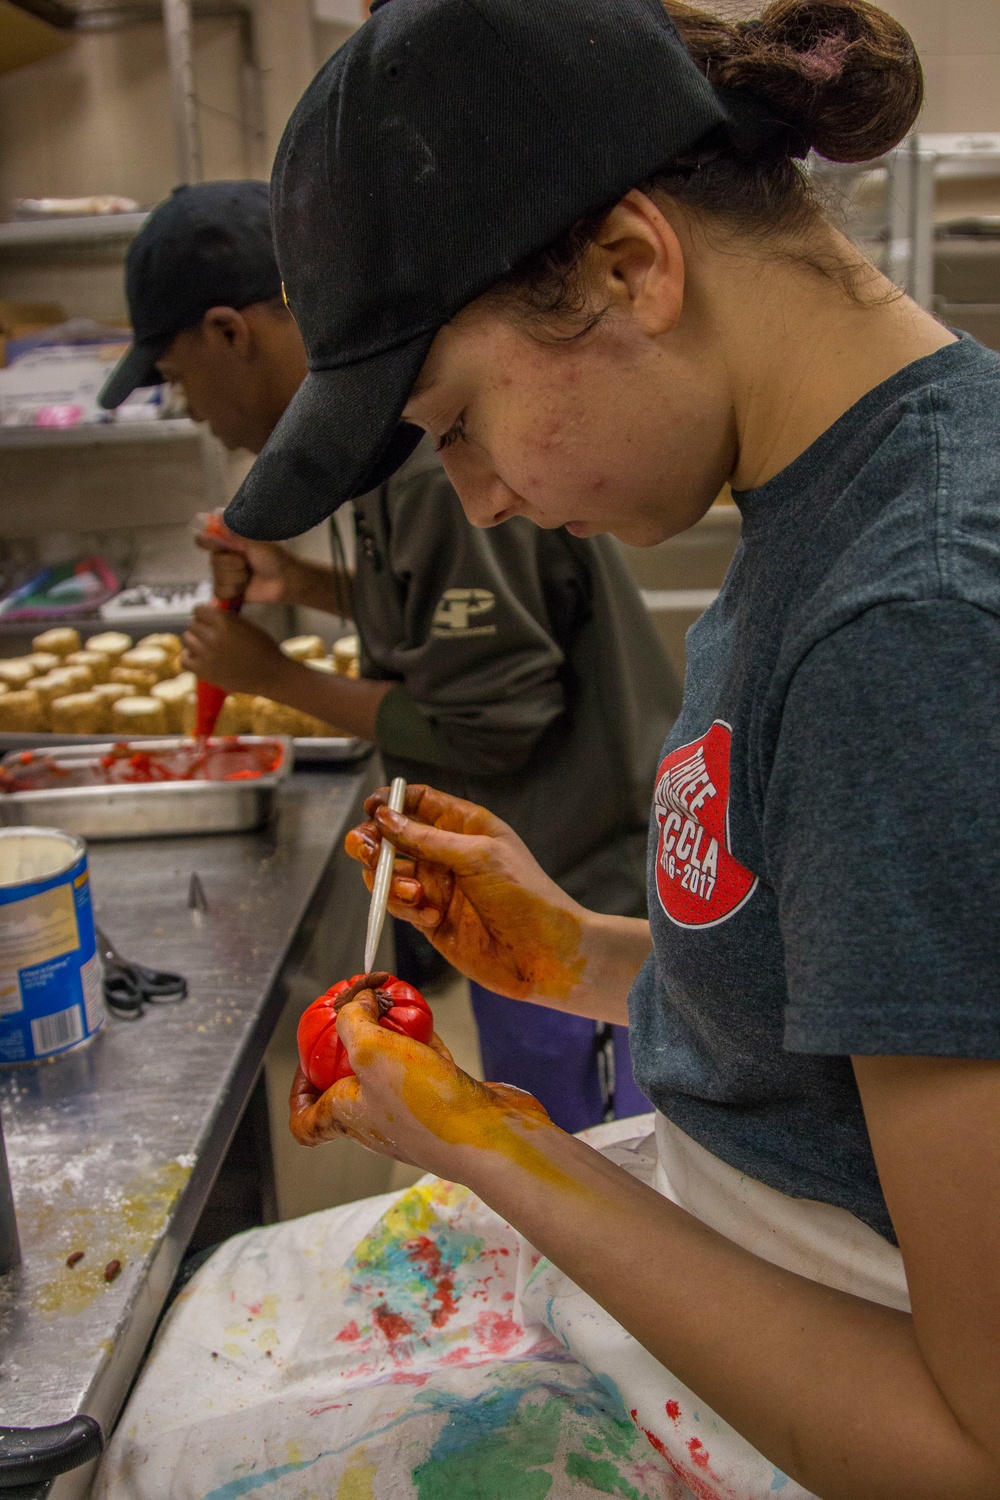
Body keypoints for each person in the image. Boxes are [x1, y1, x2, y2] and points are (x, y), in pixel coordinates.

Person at [94, 1, 1000, 1497]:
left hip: (835, 1400)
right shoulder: (817, 501)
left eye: (458, 422)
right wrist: (585, 956)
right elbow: (865, 1020)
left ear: (632, 267)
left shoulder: (913, 620)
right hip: (742, 1240)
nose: (485, 499)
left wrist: (498, 1142)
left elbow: (971, 1445)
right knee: (209, 1352)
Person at [99, 179, 677, 1132]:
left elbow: (491, 723)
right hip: (535, 881)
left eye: (174, 371)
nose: (187, 405)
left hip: (586, 890)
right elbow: (440, 618)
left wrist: (274, 677)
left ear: (228, 332)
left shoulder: (426, 464)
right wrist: (303, 585)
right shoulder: (379, 452)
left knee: (605, 1161)